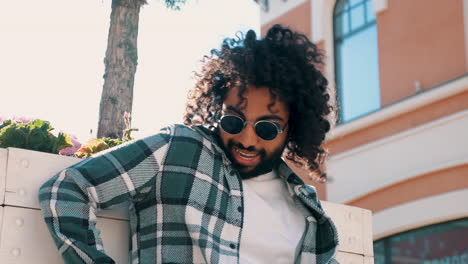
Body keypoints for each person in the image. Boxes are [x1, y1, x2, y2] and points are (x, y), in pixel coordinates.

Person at [38, 24, 339, 264]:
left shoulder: (304, 207)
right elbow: (68, 188)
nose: (247, 140)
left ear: (293, 128)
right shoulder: (178, 151)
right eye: (233, 121)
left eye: (266, 128)